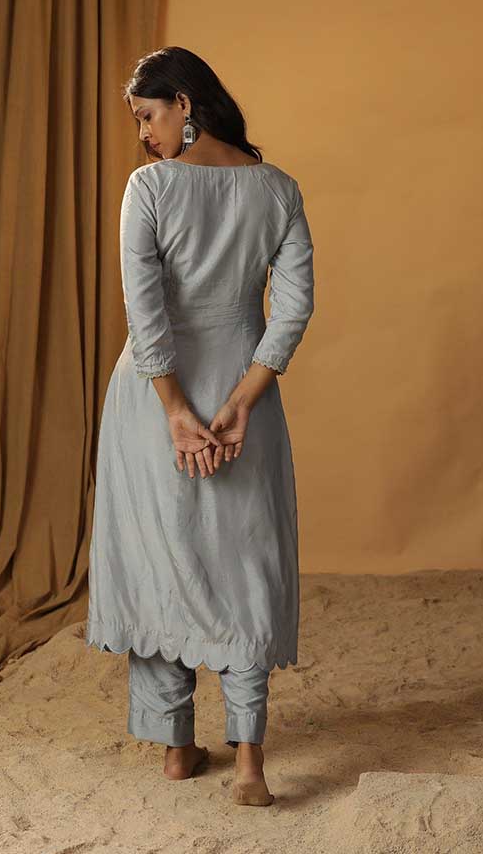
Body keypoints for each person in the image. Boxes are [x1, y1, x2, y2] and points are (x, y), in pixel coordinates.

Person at [85, 46, 315, 807]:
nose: (143, 133)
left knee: (162, 555)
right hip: (244, 396)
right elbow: (294, 308)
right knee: (246, 561)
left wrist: (176, 409)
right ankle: (248, 761)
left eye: (147, 115)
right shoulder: (278, 189)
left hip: (154, 398)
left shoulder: (149, 188)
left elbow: (145, 310)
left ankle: (177, 746)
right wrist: (246, 397)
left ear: (184, 103)